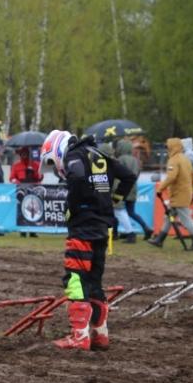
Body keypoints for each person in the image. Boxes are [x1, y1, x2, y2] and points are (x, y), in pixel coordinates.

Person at [40, 131, 135, 350]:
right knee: (94, 281)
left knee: (75, 279)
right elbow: (128, 176)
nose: (56, 168)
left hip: (83, 228)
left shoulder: (74, 156)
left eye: (52, 162)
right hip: (102, 228)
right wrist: (114, 199)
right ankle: (100, 334)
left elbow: (78, 177)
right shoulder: (98, 154)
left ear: (58, 148)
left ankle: (79, 336)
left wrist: (71, 207)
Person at [148, 138, 193, 251]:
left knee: (186, 219)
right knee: (168, 217)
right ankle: (159, 240)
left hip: (178, 194)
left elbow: (171, 177)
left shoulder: (173, 160)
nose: (167, 149)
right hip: (185, 193)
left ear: (172, 147)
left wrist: (160, 188)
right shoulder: (185, 159)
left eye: (168, 146)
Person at [114, 139, 150, 241]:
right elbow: (137, 173)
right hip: (133, 187)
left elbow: (118, 174)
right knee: (131, 212)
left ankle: (116, 233)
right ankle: (146, 228)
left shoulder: (120, 159)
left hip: (122, 188)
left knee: (116, 210)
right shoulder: (136, 160)